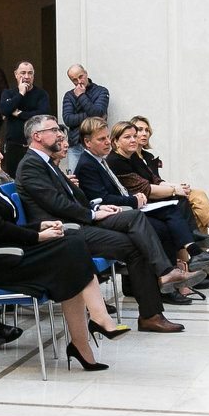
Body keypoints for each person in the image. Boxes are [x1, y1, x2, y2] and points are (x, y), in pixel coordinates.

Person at [0, 130, 124, 370]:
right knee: (71, 246)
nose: (1, 156)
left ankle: (84, 339)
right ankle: (97, 321)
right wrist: (38, 236)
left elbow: (6, 226)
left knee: (71, 249)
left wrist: (40, 226)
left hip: (8, 252)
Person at [16, 116, 191, 330]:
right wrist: (92, 215)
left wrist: (97, 208)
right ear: (37, 136)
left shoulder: (46, 162)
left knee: (135, 219)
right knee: (136, 243)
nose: (60, 134)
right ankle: (153, 310)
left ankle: (160, 289)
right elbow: (56, 204)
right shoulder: (31, 165)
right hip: (63, 231)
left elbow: (72, 198)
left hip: (77, 222)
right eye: (54, 130)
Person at [72, 117, 209, 281]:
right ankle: (175, 270)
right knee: (162, 225)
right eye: (102, 139)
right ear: (87, 142)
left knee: (172, 208)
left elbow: (151, 181)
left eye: (107, 137)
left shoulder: (104, 159)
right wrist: (134, 200)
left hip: (128, 206)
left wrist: (137, 197)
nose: (107, 142)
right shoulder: (91, 164)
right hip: (113, 214)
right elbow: (103, 199)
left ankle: (190, 258)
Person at [118, 117, 209, 252]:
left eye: (147, 130)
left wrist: (177, 186)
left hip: (158, 193)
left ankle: (207, 256)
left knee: (197, 204)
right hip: (148, 198)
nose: (144, 133)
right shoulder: (129, 157)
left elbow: (157, 180)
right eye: (139, 130)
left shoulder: (147, 157)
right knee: (194, 199)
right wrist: (174, 189)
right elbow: (147, 186)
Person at [0, 62, 52, 175]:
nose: (27, 76)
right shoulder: (8, 93)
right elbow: (4, 110)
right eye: (23, 73)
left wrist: (20, 114)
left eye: (30, 73)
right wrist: (21, 93)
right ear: (16, 74)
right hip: (14, 145)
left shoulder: (41, 94)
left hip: (36, 146)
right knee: (14, 177)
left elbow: (42, 116)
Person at [61, 65, 109, 139]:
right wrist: (92, 116)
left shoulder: (102, 91)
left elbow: (97, 113)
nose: (79, 82)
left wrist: (81, 95)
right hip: (76, 140)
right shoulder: (69, 95)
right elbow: (68, 120)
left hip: (97, 138)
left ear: (86, 73)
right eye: (75, 80)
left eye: (81, 77)